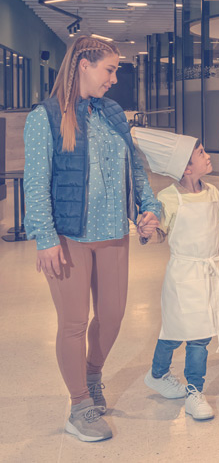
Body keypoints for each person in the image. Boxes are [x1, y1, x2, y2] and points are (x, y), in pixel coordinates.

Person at [23, 35, 161, 442]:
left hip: (113, 233)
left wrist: (148, 207)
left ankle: (92, 373)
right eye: (110, 69)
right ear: (84, 64)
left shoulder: (113, 113)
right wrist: (45, 238)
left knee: (114, 315)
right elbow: (36, 184)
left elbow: (135, 169)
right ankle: (80, 405)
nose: (114, 78)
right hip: (69, 237)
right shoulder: (45, 116)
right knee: (73, 323)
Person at [133, 128, 219, 420]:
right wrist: (147, 232)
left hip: (210, 272)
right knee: (187, 333)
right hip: (183, 274)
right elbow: (159, 234)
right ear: (186, 166)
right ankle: (195, 391)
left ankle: (158, 374)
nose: (207, 156)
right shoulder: (169, 197)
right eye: (201, 153)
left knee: (188, 332)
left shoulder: (213, 191)